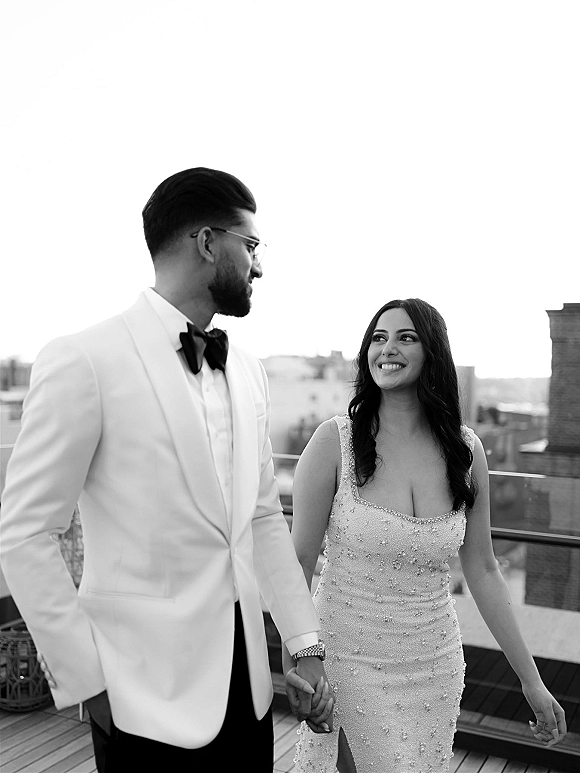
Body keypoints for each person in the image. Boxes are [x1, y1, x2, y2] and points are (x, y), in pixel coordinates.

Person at [0, 167, 333, 772]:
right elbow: (24, 534)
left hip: (249, 695)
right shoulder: (84, 360)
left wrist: (304, 642)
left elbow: (262, 519)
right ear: (207, 243)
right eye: (251, 245)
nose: (259, 266)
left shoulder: (249, 372)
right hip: (139, 698)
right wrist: (90, 683)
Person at [288, 298, 566, 772]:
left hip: (435, 664)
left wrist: (532, 681)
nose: (387, 349)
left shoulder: (466, 450)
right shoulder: (334, 442)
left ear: (432, 351)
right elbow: (296, 564)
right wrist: (301, 658)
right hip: (348, 658)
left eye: (406, 337)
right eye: (379, 338)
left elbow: (484, 569)